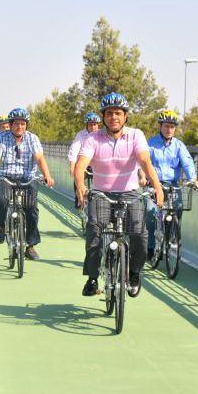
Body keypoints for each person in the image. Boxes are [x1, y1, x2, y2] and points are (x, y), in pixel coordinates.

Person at [74, 92, 163, 297]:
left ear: (125, 116)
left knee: (140, 234)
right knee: (95, 233)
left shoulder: (135, 135)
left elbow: (144, 161)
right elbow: (80, 167)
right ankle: (93, 278)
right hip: (101, 194)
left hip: (130, 194)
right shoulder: (93, 139)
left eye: (118, 113)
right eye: (109, 113)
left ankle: (134, 273)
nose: (114, 117)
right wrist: (80, 186)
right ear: (104, 117)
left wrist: (156, 186)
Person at [0, 108, 55, 260]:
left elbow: (40, 158)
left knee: (31, 209)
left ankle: (30, 245)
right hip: (5, 177)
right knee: (0, 198)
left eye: (23, 124)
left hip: (27, 178)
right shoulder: (0, 138)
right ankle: (1, 225)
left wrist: (47, 176)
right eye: (17, 124)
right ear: (10, 125)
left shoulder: (32, 138)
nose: (20, 127)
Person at [144, 110, 198, 260]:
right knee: (150, 211)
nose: (169, 130)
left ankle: (171, 234)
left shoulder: (179, 146)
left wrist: (193, 179)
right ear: (160, 126)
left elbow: (187, 163)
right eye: (167, 126)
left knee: (179, 206)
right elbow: (143, 161)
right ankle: (150, 245)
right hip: (153, 184)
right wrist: (142, 176)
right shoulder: (151, 143)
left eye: (172, 127)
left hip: (172, 184)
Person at [68, 112, 101, 207]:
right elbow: (74, 149)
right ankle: (79, 198)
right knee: (78, 177)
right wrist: (72, 166)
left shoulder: (102, 134)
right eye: (90, 124)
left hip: (98, 165)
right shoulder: (81, 135)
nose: (93, 127)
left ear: (98, 125)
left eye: (95, 124)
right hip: (84, 164)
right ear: (86, 125)